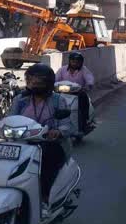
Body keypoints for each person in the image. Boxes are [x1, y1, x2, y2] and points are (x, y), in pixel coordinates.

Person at [8, 64, 72, 203]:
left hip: (49, 143)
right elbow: (9, 119)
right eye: (31, 80)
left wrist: (58, 131)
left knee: (47, 159)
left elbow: (67, 125)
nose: (34, 83)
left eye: (38, 81)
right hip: (22, 140)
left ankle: (45, 195)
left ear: (48, 83)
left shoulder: (58, 100)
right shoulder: (20, 99)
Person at [55, 52, 95, 132]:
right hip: (62, 92)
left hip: (77, 92)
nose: (75, 63)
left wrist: (88, 85)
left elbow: (89, 78)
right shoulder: (62, 69)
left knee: (83, 98)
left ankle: (85, 121)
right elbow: (55, 79)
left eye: (77, 61)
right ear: (69, 61)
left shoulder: (84, 70)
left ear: (81, 62)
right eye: (73, 61)